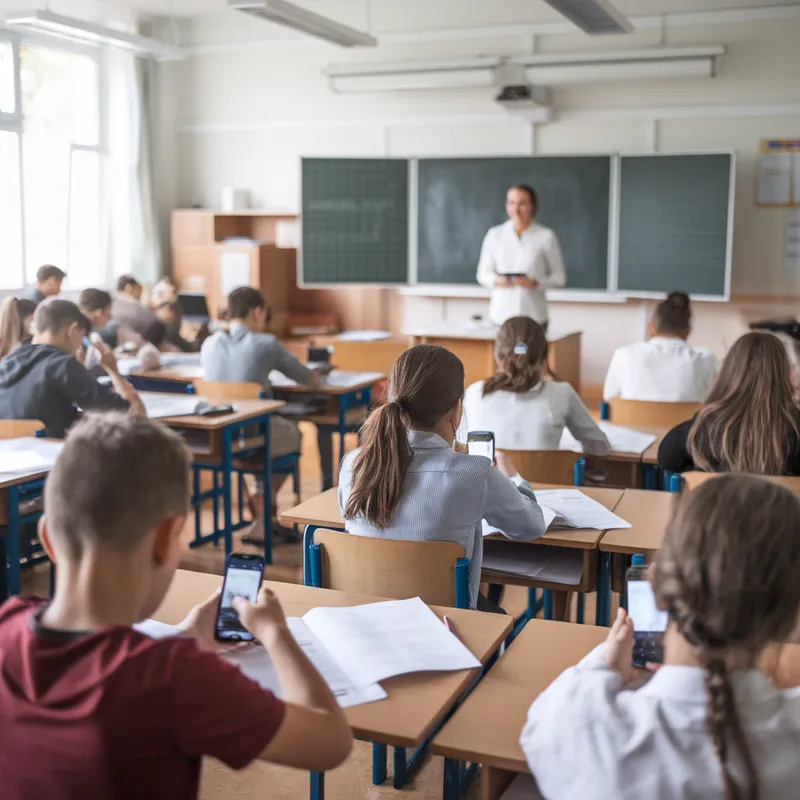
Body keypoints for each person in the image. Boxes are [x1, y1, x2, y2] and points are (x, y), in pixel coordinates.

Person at [0, 413, 353, 798]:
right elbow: (329, 742)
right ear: (166, 539)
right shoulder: (171, 675)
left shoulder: (7, 625)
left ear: (48, 538)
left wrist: (186, 635)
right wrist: (274, 632)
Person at [520, 474, 800, 799]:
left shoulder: (581, 727)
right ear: (788, 618)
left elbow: (543, 722)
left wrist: (603, 664)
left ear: (655, 587)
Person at [338, 344, 546, 612]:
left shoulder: (354, 464)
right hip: (445, 627)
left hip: (365, 620)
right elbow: (532, 526)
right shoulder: (475, 473)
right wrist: (516, 478)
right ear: (457, 409)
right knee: (497, 615)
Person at [201, 287, 333, 539]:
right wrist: (322, 375)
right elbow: (307, 379)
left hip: (219, 433)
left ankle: (262, 506)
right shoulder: (265, 343)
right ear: (258, 312)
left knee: (272, 432)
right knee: (293, 433)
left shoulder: (209, 343)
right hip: (251, 433)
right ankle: (265, 501)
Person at [658, 332, 800, 475]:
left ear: (728, 373)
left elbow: (666, 458)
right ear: (783, 377)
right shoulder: (795, 428)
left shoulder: (704, 427)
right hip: (779, 498)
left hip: (716, 498)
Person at [464, 316, 610, 454]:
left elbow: (459, 446)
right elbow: (600, 447)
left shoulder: (475, 392)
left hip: (484, 481)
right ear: (545, 357)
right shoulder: (562, 394)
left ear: (496, 354)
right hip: (542, 481)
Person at [0, 298, 144, 438]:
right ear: (73, 330)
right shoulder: (63, 364)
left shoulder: (7, 361)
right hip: (52, 456)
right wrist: (113, 370)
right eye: (81, 336)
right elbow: (131, 414)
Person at [476, 185, 566, 329]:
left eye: (522, 203)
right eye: (511, 203)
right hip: (501, 317)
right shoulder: (495, 235)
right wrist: (498, 280)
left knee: (532, 352)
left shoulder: (545, 236)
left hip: (534, 316)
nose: (516, 209)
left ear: (532, 205)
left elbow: (559, 278)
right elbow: (482, 274)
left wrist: (536, 283)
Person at [604, 291, 719, 403]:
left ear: (651, 327)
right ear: (688, 331)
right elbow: (713, 403)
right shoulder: (706, 360)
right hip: (687, 422)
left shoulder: (624, 355)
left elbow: (610, 400)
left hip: (633, 422)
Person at [79, 288, 160, 372]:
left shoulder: (86, 332)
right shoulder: (83, 337)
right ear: (99, 312)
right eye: (108, 314)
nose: (109, 318)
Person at [112, 275, 166, 346]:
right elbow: (155, 324)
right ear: (129, 288)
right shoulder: (132, 306)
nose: (140, 296)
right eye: (139, 291)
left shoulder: (111, 304)